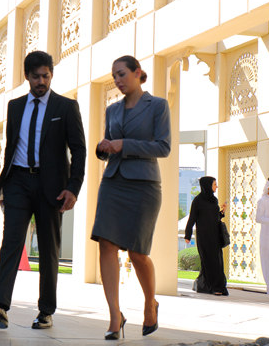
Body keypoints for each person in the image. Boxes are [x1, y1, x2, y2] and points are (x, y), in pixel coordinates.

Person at [0, 51, 86, 329]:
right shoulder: (14, 106)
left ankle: (46, 311)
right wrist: (4, 186)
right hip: (19, 183)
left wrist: (73, 188)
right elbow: (13, 148)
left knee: (49, 250)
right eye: (36, 76)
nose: (41, 81)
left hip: (52, 188)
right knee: (11, 243)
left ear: (51, 75)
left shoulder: (66, 107)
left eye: (45, 76)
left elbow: (79, 150)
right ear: (27, 76)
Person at [91, 55, 170, 340]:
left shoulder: (158, 105)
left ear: (138, 73)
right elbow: (107, 146)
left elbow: (163, 147)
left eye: (122, 74)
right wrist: (103, 148)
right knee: (106, 244)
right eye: (114, 76)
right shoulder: (112, 110)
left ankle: (151, 302)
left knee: (138, 253)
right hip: (113, 183)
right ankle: (115, 315)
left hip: (144, 186)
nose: (118, 80)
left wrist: (123, 144)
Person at [184, 176, 229, 296]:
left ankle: (211, 286)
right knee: (208, 261)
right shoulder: (197, 201)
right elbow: (192, 219)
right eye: (215, 184)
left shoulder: (214, 200)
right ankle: (215, 287)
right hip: (204, 237)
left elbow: (215, 218)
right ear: (207, 185)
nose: (217, 186)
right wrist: (187, 235)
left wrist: (222, 212)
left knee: (217, 261)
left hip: (215, 236)